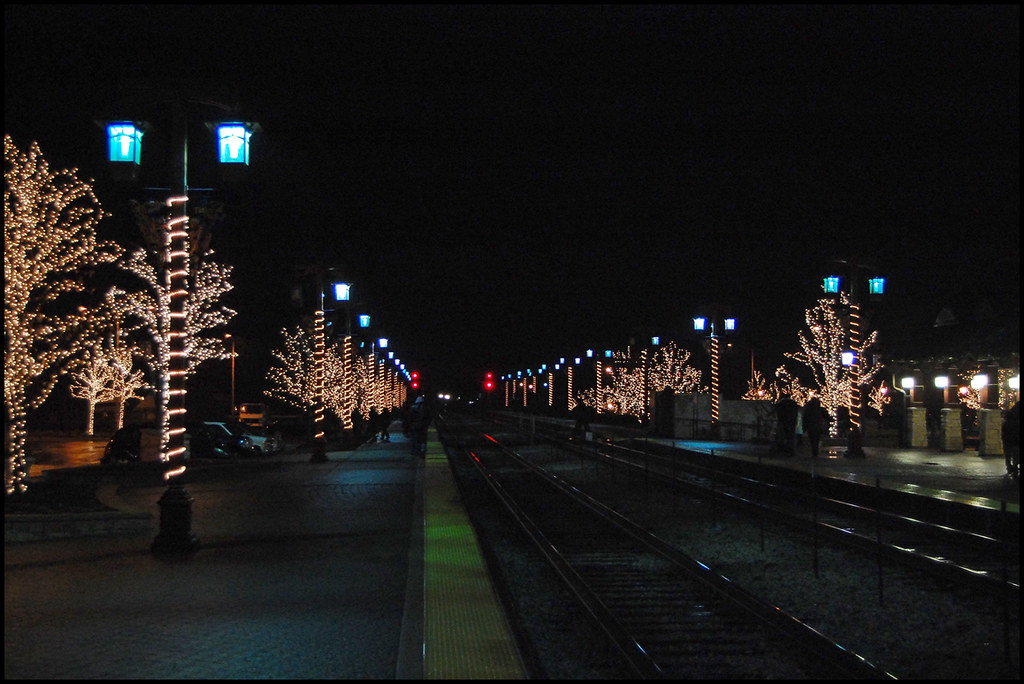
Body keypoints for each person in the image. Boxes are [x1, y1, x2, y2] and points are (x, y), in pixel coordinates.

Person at [1003, 402, 1019, 478]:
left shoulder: (1007, 421)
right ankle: (1014, 467)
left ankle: (1010, 467)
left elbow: (1004, 431)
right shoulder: (1016, 421)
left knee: (1008, 455)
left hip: (1008, 440)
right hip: (1015, 440)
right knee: (1015, 454)